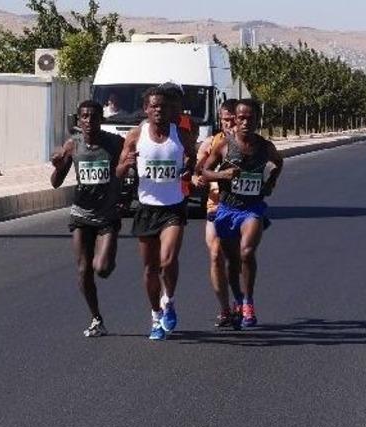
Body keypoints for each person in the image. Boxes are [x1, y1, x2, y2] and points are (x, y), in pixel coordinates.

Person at [118, 86, 197, 341]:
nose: (158, 110)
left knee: (167, 260)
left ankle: (169, 301)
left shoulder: (181, 135)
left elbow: (192, 160)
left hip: (173, 207)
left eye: (163, 106)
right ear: (146, 109)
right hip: (146, 208)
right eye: (153, 106)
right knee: (151, 268)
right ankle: (155, 316)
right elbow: (118, 170)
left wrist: (188, 169)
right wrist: (126, 164)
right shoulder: (135, 135)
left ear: (169, 109)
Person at [201, 99, 283, 329]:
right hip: (227, 209)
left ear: (258, 120)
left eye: (251, 118)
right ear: (235, 120)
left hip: (252, 208)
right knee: (232, 262)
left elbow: (279, 162)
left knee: (247, 252)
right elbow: (205, 172)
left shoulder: (265, 147)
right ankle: (238, 299)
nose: (246, 122)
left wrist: (271, 182)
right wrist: (223, 176)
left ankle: (248, 302)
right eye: (241, 118)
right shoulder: (225, 145)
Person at [50, 100, 125, 337]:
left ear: (101, 119)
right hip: (81, 214)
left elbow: (127, 171)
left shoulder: (114, 143)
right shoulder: (73, 145)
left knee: (101, 269)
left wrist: (124, 194)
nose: (89, 122)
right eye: (84, 117)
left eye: (94, 117)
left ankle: (107, 257)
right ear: (79, 120)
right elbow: (55, 182)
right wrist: (59, 165)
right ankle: (96, 318)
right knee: (83, 270)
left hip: (107, 215)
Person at [193, 99, 239, 328]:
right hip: (215, 207)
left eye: (232, 120)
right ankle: (224, 309)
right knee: (215, 255)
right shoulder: (211, 144)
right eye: (224, 120)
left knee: (237, 260)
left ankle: (241, 300)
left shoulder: (249, 145)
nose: (228, 124)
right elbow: (195, 172)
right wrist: (198, 179)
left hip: (241, 209)